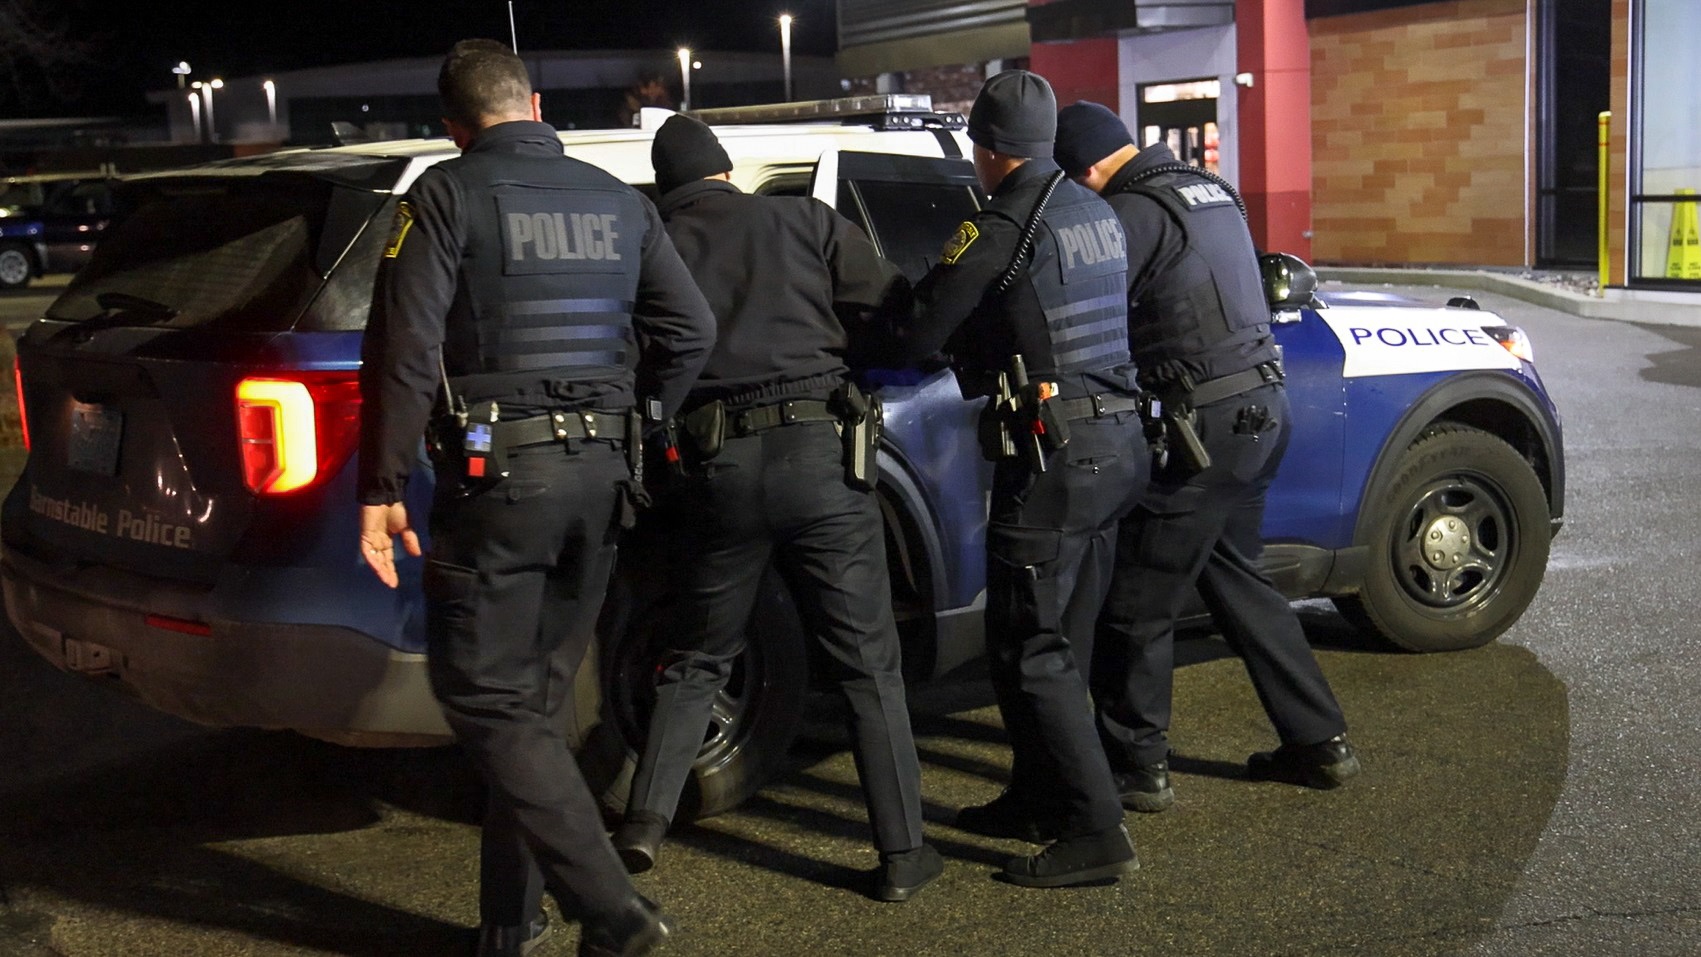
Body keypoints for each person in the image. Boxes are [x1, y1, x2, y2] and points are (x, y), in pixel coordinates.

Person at [356, 39, 715, 957]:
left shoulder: (443, 196)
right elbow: (689, 329)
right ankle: (509, 921)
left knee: (481, 691)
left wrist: (381, 486)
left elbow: (404, 348)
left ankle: (612, 909)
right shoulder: (619, 199)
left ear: (453, 127)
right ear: (536, 106)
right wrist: (639, 419)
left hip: (501, 487)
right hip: (602, 480)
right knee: (537, 705)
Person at [607, 113, 943, 903]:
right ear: (724, 171)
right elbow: (893, 311)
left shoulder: (652, 246)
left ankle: (643, 823)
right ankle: (902, 853)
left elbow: (636, 357)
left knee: (697, 654)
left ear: (665, 188)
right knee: (866, 663)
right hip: (818, 456)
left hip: (716, 466)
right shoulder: (803, 220)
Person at [866, 70, 1147, 888]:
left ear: (987, 150)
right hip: (1117, 443)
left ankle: (1095, 831)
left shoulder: (998, 224)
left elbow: (918, 332)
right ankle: (1038, 795)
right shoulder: (1093, 210)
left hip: (1059, 457)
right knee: (1060, 637)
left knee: (1029, 643)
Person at [1052, 100, 1360, 814]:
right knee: (1238, 577)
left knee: (1136, 598)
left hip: (1202, 429)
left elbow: (1087, 313)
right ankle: (1319, 741)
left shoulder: (1127, 215)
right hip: (1259, 412)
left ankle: (1136, 764)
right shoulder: (1206, 190)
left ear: (1087, 170)